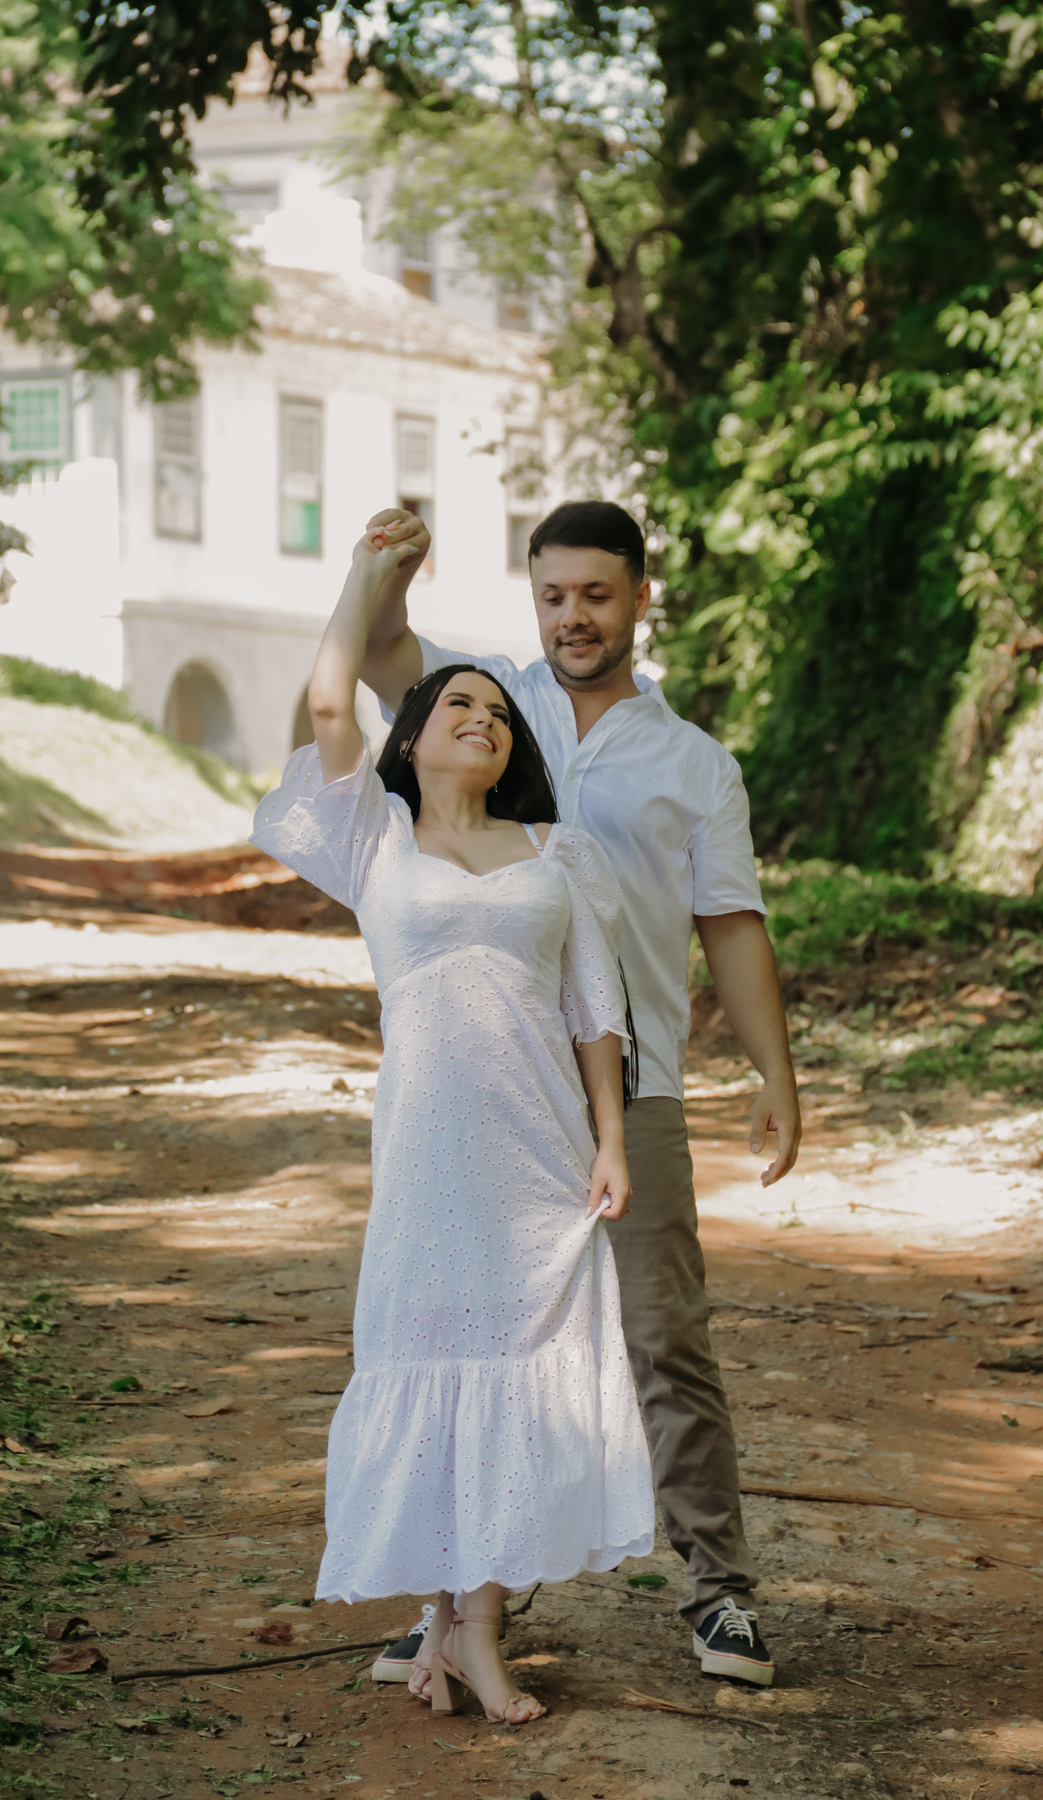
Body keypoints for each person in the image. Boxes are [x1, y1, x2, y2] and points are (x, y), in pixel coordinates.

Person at [356, 500, 801, 1690]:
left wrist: (774, 1073)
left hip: (628, 1085)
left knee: (663, 1335)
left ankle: (720, 1591)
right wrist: (388, 566)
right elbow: (380, 654)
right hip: (485, 1092)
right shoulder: (493, 702)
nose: (572, 617)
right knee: (475, 1333)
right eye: (552, 595)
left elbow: (732, 925)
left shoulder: (695, 764)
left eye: (596, 595)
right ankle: (458, 1601)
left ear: (641, 598)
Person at [250, 521, 655, 1726]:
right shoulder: (374, 841)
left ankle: (475, 1631)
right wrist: (370, 574)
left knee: (519, 1373)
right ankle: (444, 1626)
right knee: (429, 1359)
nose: (482, 715)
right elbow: (331, 698)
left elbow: (594, 1009)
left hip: (540, 1154)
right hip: (428, 1157)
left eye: (498, 709)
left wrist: (612, 1140)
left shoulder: (555, 852)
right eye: (456, 703)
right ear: (414, 737)